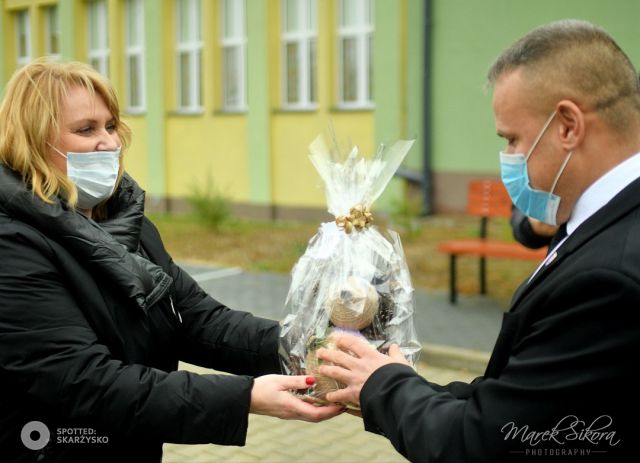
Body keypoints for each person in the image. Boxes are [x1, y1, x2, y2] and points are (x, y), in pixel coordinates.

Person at [317, 19, 640, 461]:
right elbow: (524, 400)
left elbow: (483, 444)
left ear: (568, 125)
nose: (506, 158)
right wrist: (397, 383)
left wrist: (384, 386)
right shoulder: (609, 220)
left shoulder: (609, 278)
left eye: (512, 139)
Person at [0, 60, 343, 463]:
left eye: (111, 126)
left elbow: (198, 321)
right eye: (85, 129)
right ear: (34, 142)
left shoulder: (127, 224)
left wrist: (315, 346)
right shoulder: (13, 244)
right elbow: (88, 383)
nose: (109, 143)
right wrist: (246, 397)